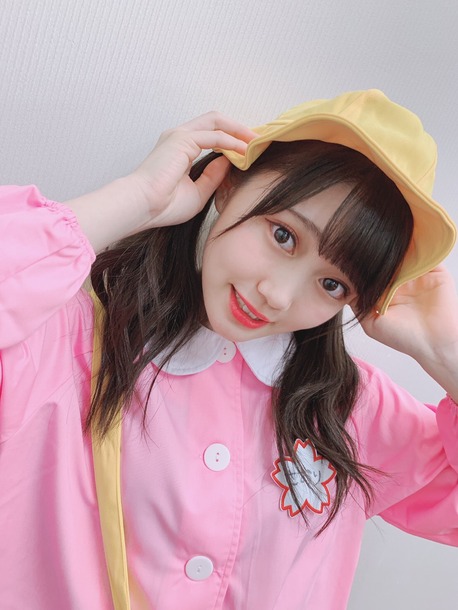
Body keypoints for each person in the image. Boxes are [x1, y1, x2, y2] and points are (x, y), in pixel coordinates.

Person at [0, 89, 457, 610]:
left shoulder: (350, 410)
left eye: (333, 285)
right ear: (229, 185)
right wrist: (135, 200)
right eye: (283, 235)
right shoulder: (66, 338)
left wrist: (447, 355)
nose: (278, 296)